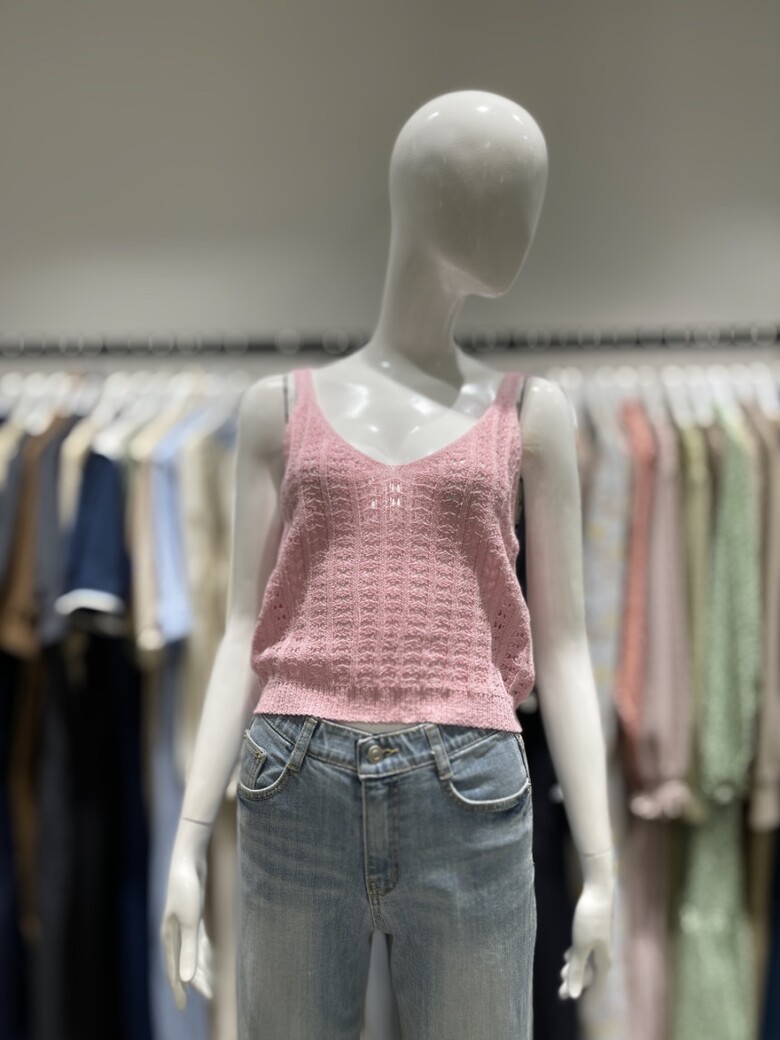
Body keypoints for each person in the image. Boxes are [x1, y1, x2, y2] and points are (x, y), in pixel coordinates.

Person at [162, 89, 615, 1040]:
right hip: (295, 776)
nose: (524, 224)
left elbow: (566, 647)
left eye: (529, 196)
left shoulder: (532, 415)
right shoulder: (276, 409)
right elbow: (245, 629)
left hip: (470, 786)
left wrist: (603, 866)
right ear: (422, 196)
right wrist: (189, 838)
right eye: (501, 191)